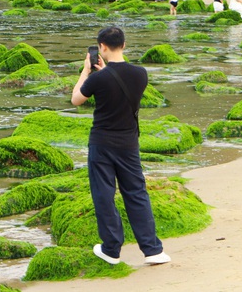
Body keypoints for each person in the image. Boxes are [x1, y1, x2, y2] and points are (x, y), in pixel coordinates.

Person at [71, 26, 171, 267]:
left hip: (102, 144)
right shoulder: (141, 74)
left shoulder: (98, 77)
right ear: (124, 45)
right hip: (128, 144)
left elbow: (76, 99)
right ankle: (152, 249)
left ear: (102, 47)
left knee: (104, 195)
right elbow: (118, 85)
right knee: (136, 193)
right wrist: (104, 72)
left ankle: (111, 249)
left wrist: (86, 71)